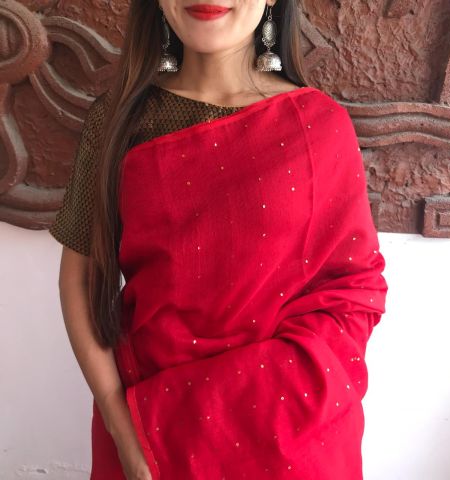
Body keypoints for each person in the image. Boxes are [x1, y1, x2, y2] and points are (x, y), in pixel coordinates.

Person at [49, 0, 389, 479]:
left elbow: (354, 287)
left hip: (288, 437)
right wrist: (121, 425)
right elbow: (81, 278)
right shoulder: (119, 121)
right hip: (149, 423)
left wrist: (293, 391)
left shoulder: (320, 125)